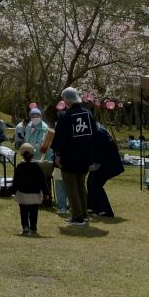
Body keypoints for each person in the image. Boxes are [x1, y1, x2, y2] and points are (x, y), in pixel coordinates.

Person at [51, 87, 96, 227]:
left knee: (71, 186)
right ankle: (84, 213)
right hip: (85, 156)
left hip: (69, 157)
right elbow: (95, 135)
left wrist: (57, 155)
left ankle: (77, 217)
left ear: (66, 100)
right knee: (81, 185)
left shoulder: (66, 116)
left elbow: (60, 138)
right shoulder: (88, 114)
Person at [87, 120, 124, 219]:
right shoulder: (99, 129)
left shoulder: (98, 132)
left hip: (107, 164)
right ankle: (93, 207)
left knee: (95, 185)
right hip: (107, 162)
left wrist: (93, 165)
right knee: (90, 182)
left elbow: (98, 152)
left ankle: (106, 210)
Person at [13, 144, 48, 235]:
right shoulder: (37, 167)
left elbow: (15, 181)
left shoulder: (20, 166)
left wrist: (11, 191)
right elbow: (42, 181)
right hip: (35, 194)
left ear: (21, 154)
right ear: (33, 154)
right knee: (34, 211)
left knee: (23, 211)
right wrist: (46, 192)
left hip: (22, 193)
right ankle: (33, 227)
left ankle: (25, 226)